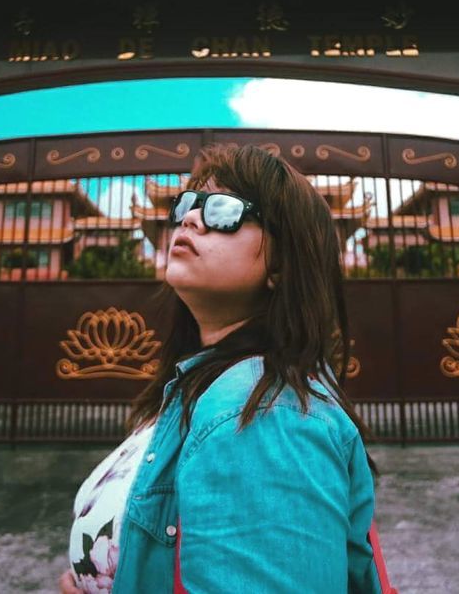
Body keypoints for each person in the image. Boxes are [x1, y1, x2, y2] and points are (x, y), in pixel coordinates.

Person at [62, 144, 386, 593]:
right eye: (187, 205)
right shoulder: (208, 385)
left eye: (223, 210)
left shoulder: (262, 416)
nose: (191, 218)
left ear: (282, 263)